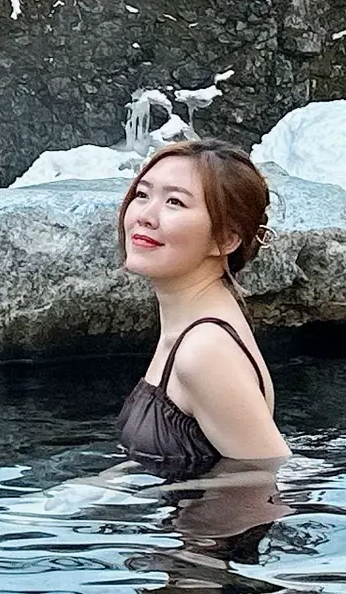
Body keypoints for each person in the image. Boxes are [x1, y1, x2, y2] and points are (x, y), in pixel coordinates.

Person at [114, 139, 290, 479]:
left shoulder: (203, 350)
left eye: (175, 202)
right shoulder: (188, 325)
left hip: (212, 533)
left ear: (224, 240)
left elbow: (269, 477)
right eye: (142, 195)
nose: (145, 216)